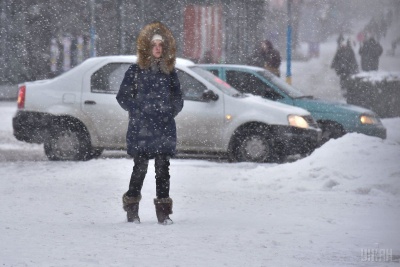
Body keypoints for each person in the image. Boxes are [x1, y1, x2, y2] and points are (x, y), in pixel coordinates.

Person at [116, 21, 184, 225]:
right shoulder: (135, 71)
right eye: (154, 44)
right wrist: (138, 111)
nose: (157, 48)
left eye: (161, 44)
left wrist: (169, 112)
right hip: (141, 129)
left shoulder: (170, 73)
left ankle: (164, 213)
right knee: (140, 169)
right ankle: (132, 209)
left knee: (163, 169)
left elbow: (178, 99)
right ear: (147, 47)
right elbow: (122, 97)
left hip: (163, 128)